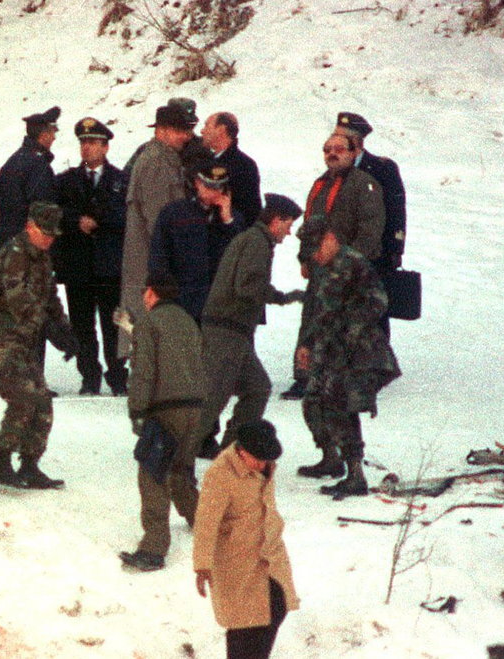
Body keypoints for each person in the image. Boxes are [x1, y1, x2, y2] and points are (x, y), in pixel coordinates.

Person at [194, 195, 304, 459]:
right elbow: (247, 286)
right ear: (276, 220)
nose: (289, 233)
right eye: (288, 225)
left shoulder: (254, 240)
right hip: (226, 331)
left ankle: (230, 452)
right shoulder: (256, 243)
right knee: (213, 400)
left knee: (257, 387)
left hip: (234, 332)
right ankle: (174, 458)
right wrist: (282, 297)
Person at [0, 202, 78, 490]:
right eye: (44, 233)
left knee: (42, 399)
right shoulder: (14, 254)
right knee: (24, 396)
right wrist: (47, 326)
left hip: (22, 340)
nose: (49, 240)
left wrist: (65, 329)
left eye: (52, 235)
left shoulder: (42, 258)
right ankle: (1, 462)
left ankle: (30, 464)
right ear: (30, 226)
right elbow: (17, 298)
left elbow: (50, 297)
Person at [296, 222, 400, 496]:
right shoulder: (326, 268)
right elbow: (323, 313)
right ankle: (331, 459)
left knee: (340, 406)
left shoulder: (352, 263)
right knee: (313, 402)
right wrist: (308, 344)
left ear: (330, 238)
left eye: (316, 249)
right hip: (335, 352)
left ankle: (356, 475)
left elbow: (378, 303)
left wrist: (349, 330)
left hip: (361, 354)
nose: (314, 257)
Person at [281, 132, 385, 400]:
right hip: (319, 271)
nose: (332, 153)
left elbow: (370, 232)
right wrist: (304, 258)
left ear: (353, 152)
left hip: (349, 273)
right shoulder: (320, 184)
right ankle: (305, 378)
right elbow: (309, 226)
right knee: (311, 324)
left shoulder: (365, 185)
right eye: (327, 148)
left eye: (339, 148)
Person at [194, 419, 300, 659]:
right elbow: (206, 522)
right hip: (238, 562)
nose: (263, 464)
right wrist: (202, 565)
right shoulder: (220, 474)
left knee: (277, 607)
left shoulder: (263, 466)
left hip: (270, 555)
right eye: (258, 458)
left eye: (267, 459)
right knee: (243, 624)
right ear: (241, 451)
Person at [119, 273, 204, 572]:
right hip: (196, 408)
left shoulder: (150, 323)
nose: (143, 296)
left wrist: (137, 410)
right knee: (180, 468)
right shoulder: (188, 321)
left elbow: (143, 371)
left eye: (145, 291)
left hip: (166, 409)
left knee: (152, 472)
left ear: (153, 293)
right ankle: (206, 523)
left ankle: (154, 548)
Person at [52, 117, 129, 396]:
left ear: (105, 147)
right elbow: (55, 212)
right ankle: (89, 376)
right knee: (82, 325)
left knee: (114, 327)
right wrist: (76, 221)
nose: (87, 148)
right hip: (79, 265)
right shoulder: (66, 180)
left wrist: (98, 220)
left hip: (110, 266)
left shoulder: (121, 180)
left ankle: (118, 376)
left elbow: (128, 216)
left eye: (93, 143)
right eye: (83, 143)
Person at [119, 98, 196, 353]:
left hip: (154, 266)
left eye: (187, 130)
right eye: (179, 130)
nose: (186, 136)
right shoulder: (157, 163)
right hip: (153, 267)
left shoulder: (166, 159)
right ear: (160, 130)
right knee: (149, 334)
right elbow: (160, 223)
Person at [333, 112, 407, 338]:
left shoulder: (382, 168)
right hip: (342, 257)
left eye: (340, 137)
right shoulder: (335, 167)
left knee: (374, 316)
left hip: (375, 256)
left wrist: (394, 250)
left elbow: (396, 212)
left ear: (355, 142)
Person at [146, 164, 244, 323]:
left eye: (221, 187)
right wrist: (163, 296)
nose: (216, 192)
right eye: (210, 186)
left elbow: (240, 255)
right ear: (198, 183)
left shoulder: (233, 219)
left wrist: (227, 221)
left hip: (218, 305)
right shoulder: (174, 213)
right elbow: (159, 256)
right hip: (182, 301)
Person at [0, 106, 59, 251]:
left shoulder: (14, 161)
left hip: (7, 242)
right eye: (53, 132)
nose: (54, 137)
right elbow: (43, 208)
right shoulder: (38, 166)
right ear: (44, 135)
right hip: (27, 247)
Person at [200, 111, 262, 227]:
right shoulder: (208, 161)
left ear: (221, 130)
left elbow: (251, 211)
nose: (202, 131)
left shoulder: (243, 166)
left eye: (207, 125)